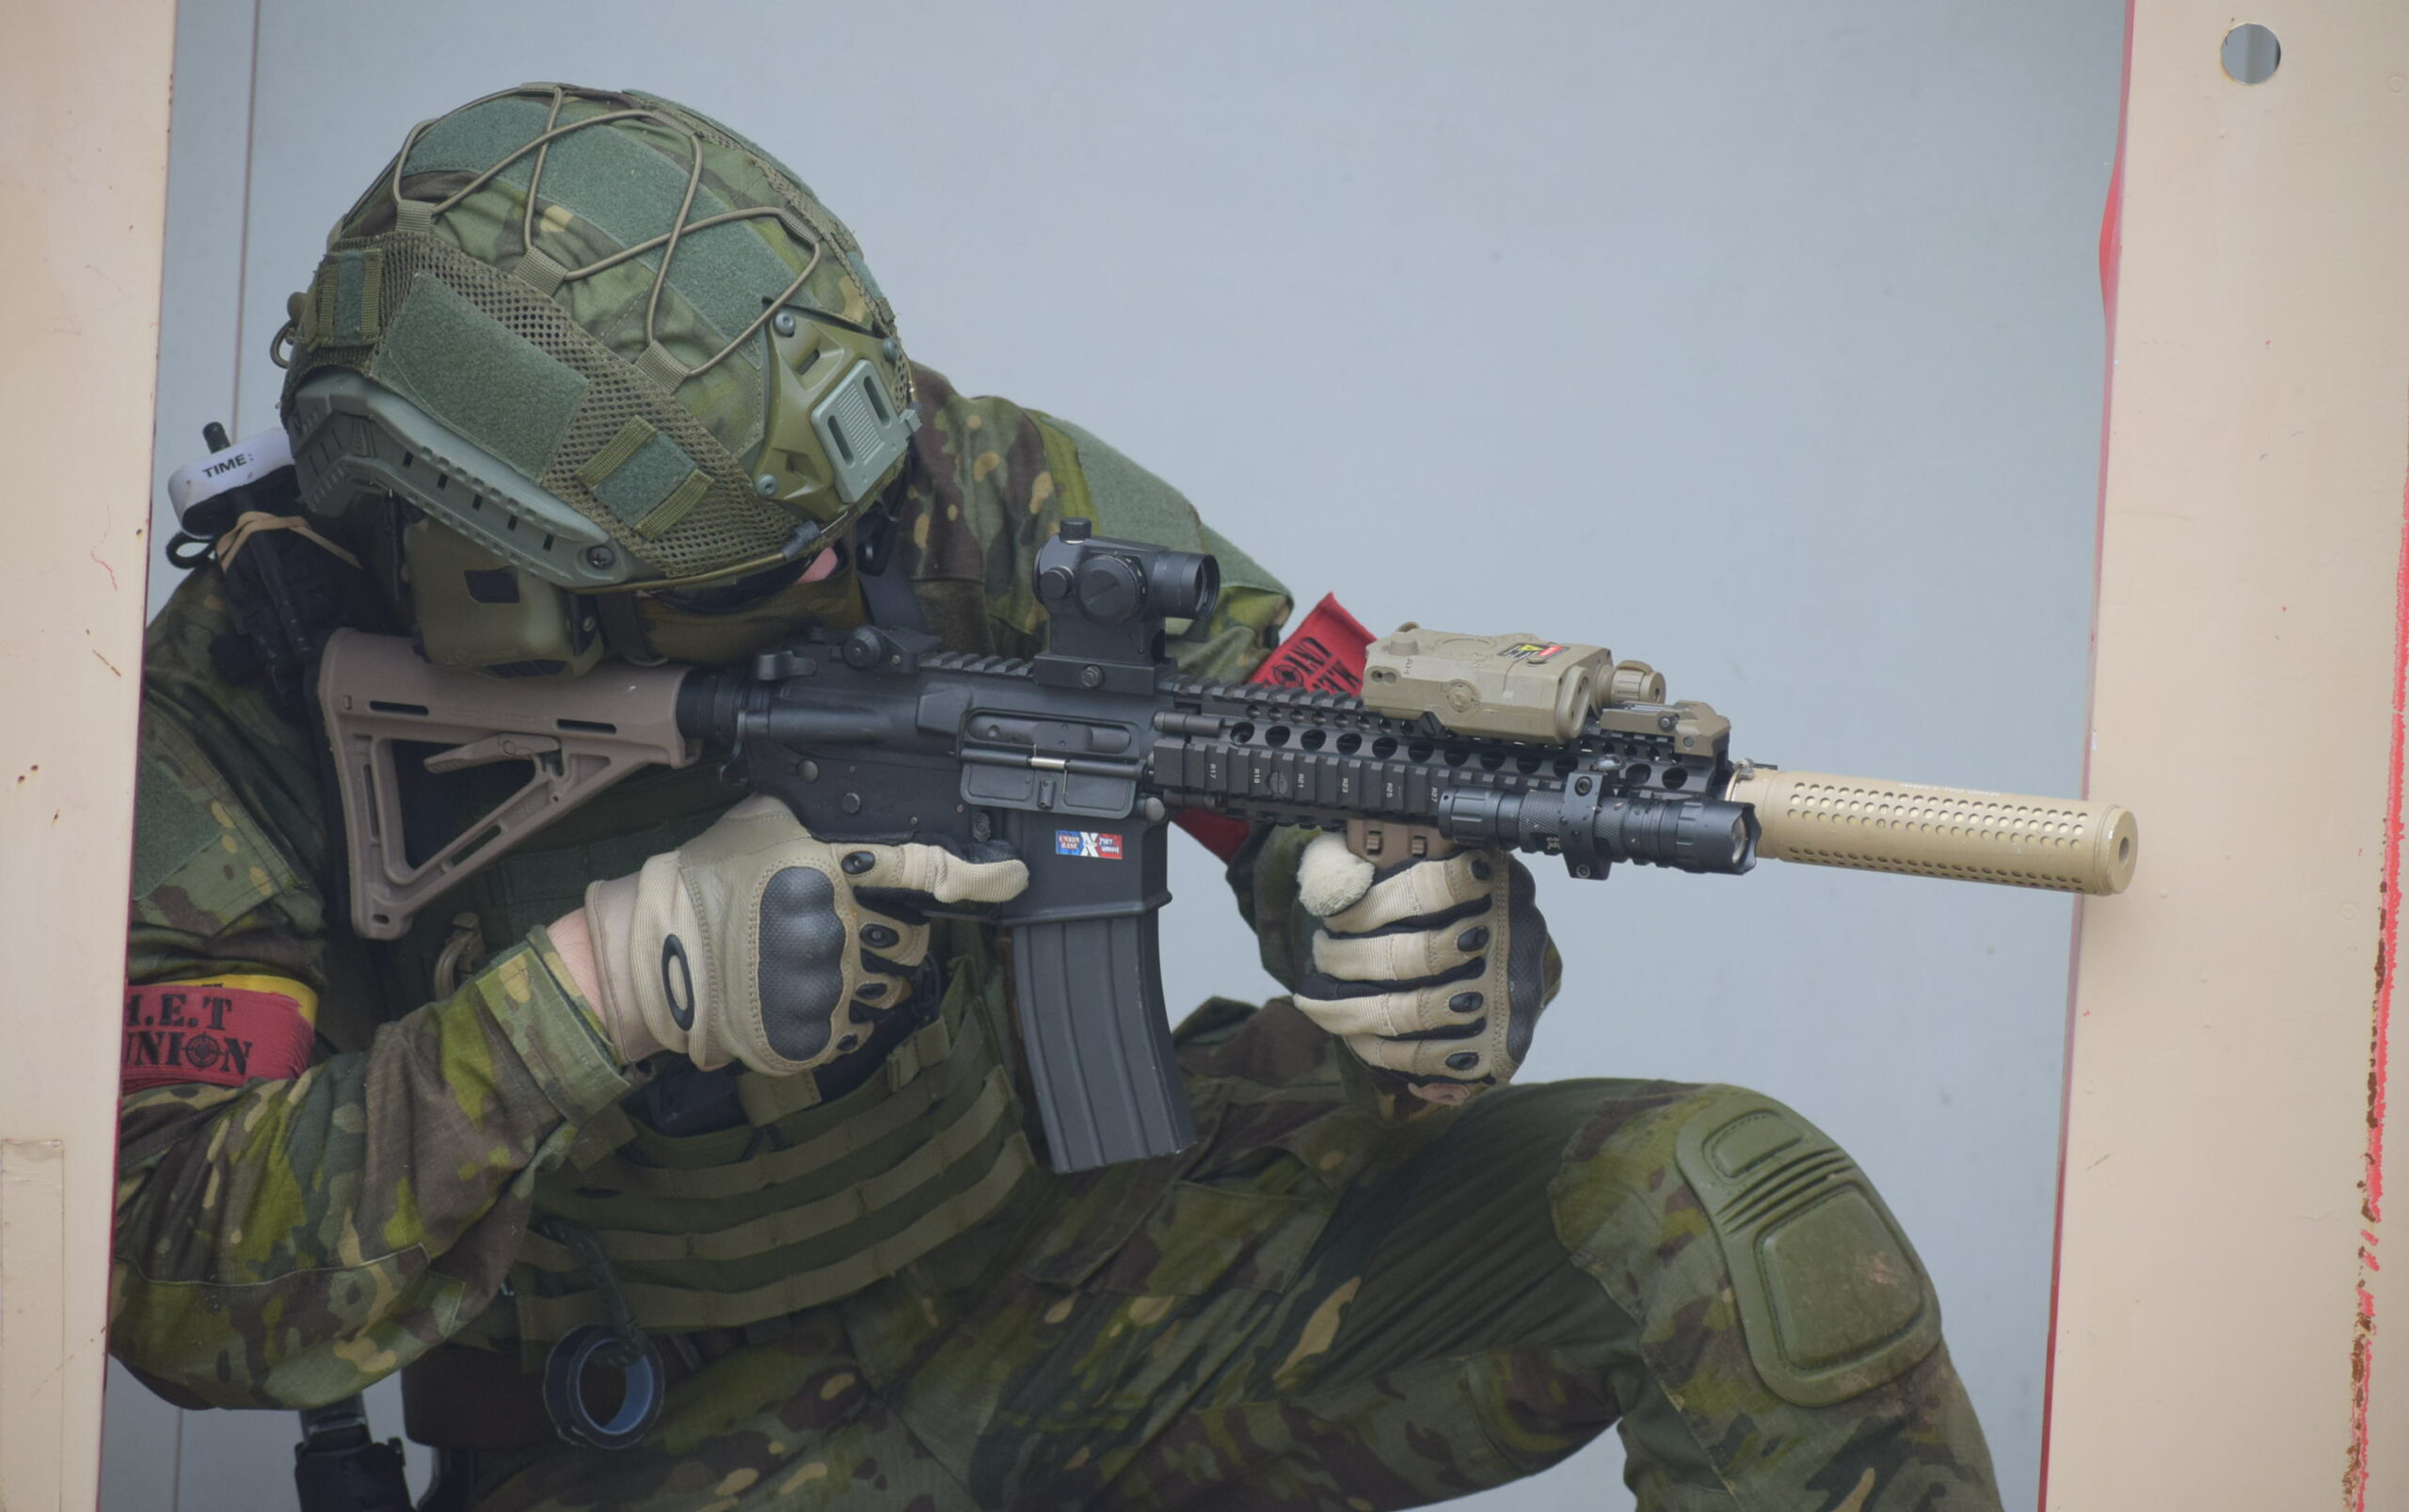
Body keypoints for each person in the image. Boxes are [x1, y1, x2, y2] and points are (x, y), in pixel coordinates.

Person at [112, 84, 2001, 1511]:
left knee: (1737, 1225)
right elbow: (177, 1283)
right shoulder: (249, 700)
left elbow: (1275, 716)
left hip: (1084, 1278)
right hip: (642, 1425)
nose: (846, 560)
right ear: (493, 562)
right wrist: (598, 992)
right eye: (757, 568)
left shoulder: (905, 478)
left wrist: (1395, 914)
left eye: (849, 519)